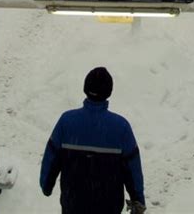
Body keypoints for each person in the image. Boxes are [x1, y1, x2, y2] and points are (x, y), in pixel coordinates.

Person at [40, 67, 146, 214]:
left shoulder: (67, 122)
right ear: (109, 92)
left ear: (85, 88)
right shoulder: (121, 127)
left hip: (73, 204)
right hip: (108, 206)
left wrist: (46, 185)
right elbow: (132, 167)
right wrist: (138, 199)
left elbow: (51, 158)